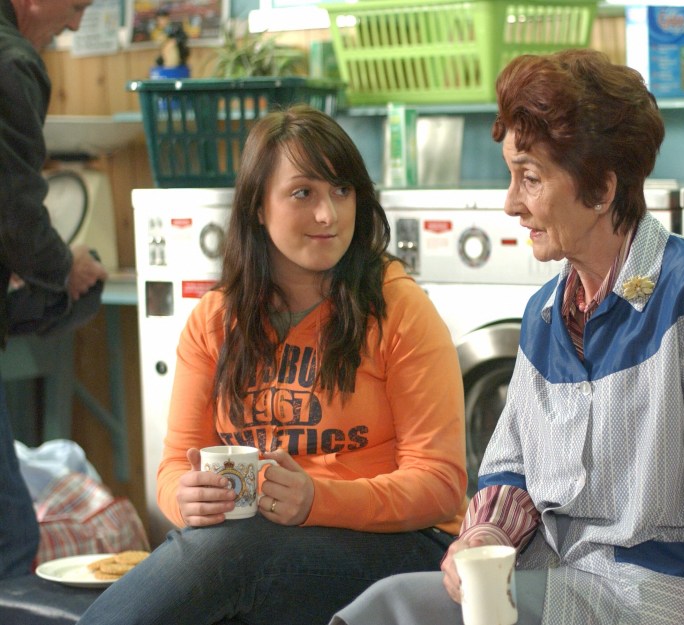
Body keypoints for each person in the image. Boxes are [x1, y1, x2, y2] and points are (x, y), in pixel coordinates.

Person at [330, 48, 684, 625]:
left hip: (647, 598)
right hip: (549, 579)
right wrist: (482, 534)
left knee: (395, 613)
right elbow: (511, 469)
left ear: (600, 189)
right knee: (378, 609)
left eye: (530, 178)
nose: (512, 203)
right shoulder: (546, 313)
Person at [76, 104, 468, 625]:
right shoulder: (215, 321)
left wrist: (317, 500)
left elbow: (441, 482)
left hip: (401, 547)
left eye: (342, 190)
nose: (329, 214)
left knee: (231, 557)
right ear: (258, 207)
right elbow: (175, 467)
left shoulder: (397, 307)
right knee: (220, 553)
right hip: (259, 543)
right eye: (304, 193)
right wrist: (185, 500)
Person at [0, 0, 106, 581]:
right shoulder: (12, 61)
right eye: (76, 7)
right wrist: (63, 267)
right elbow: (13, 206)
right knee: (9, 535)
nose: (72, 26)